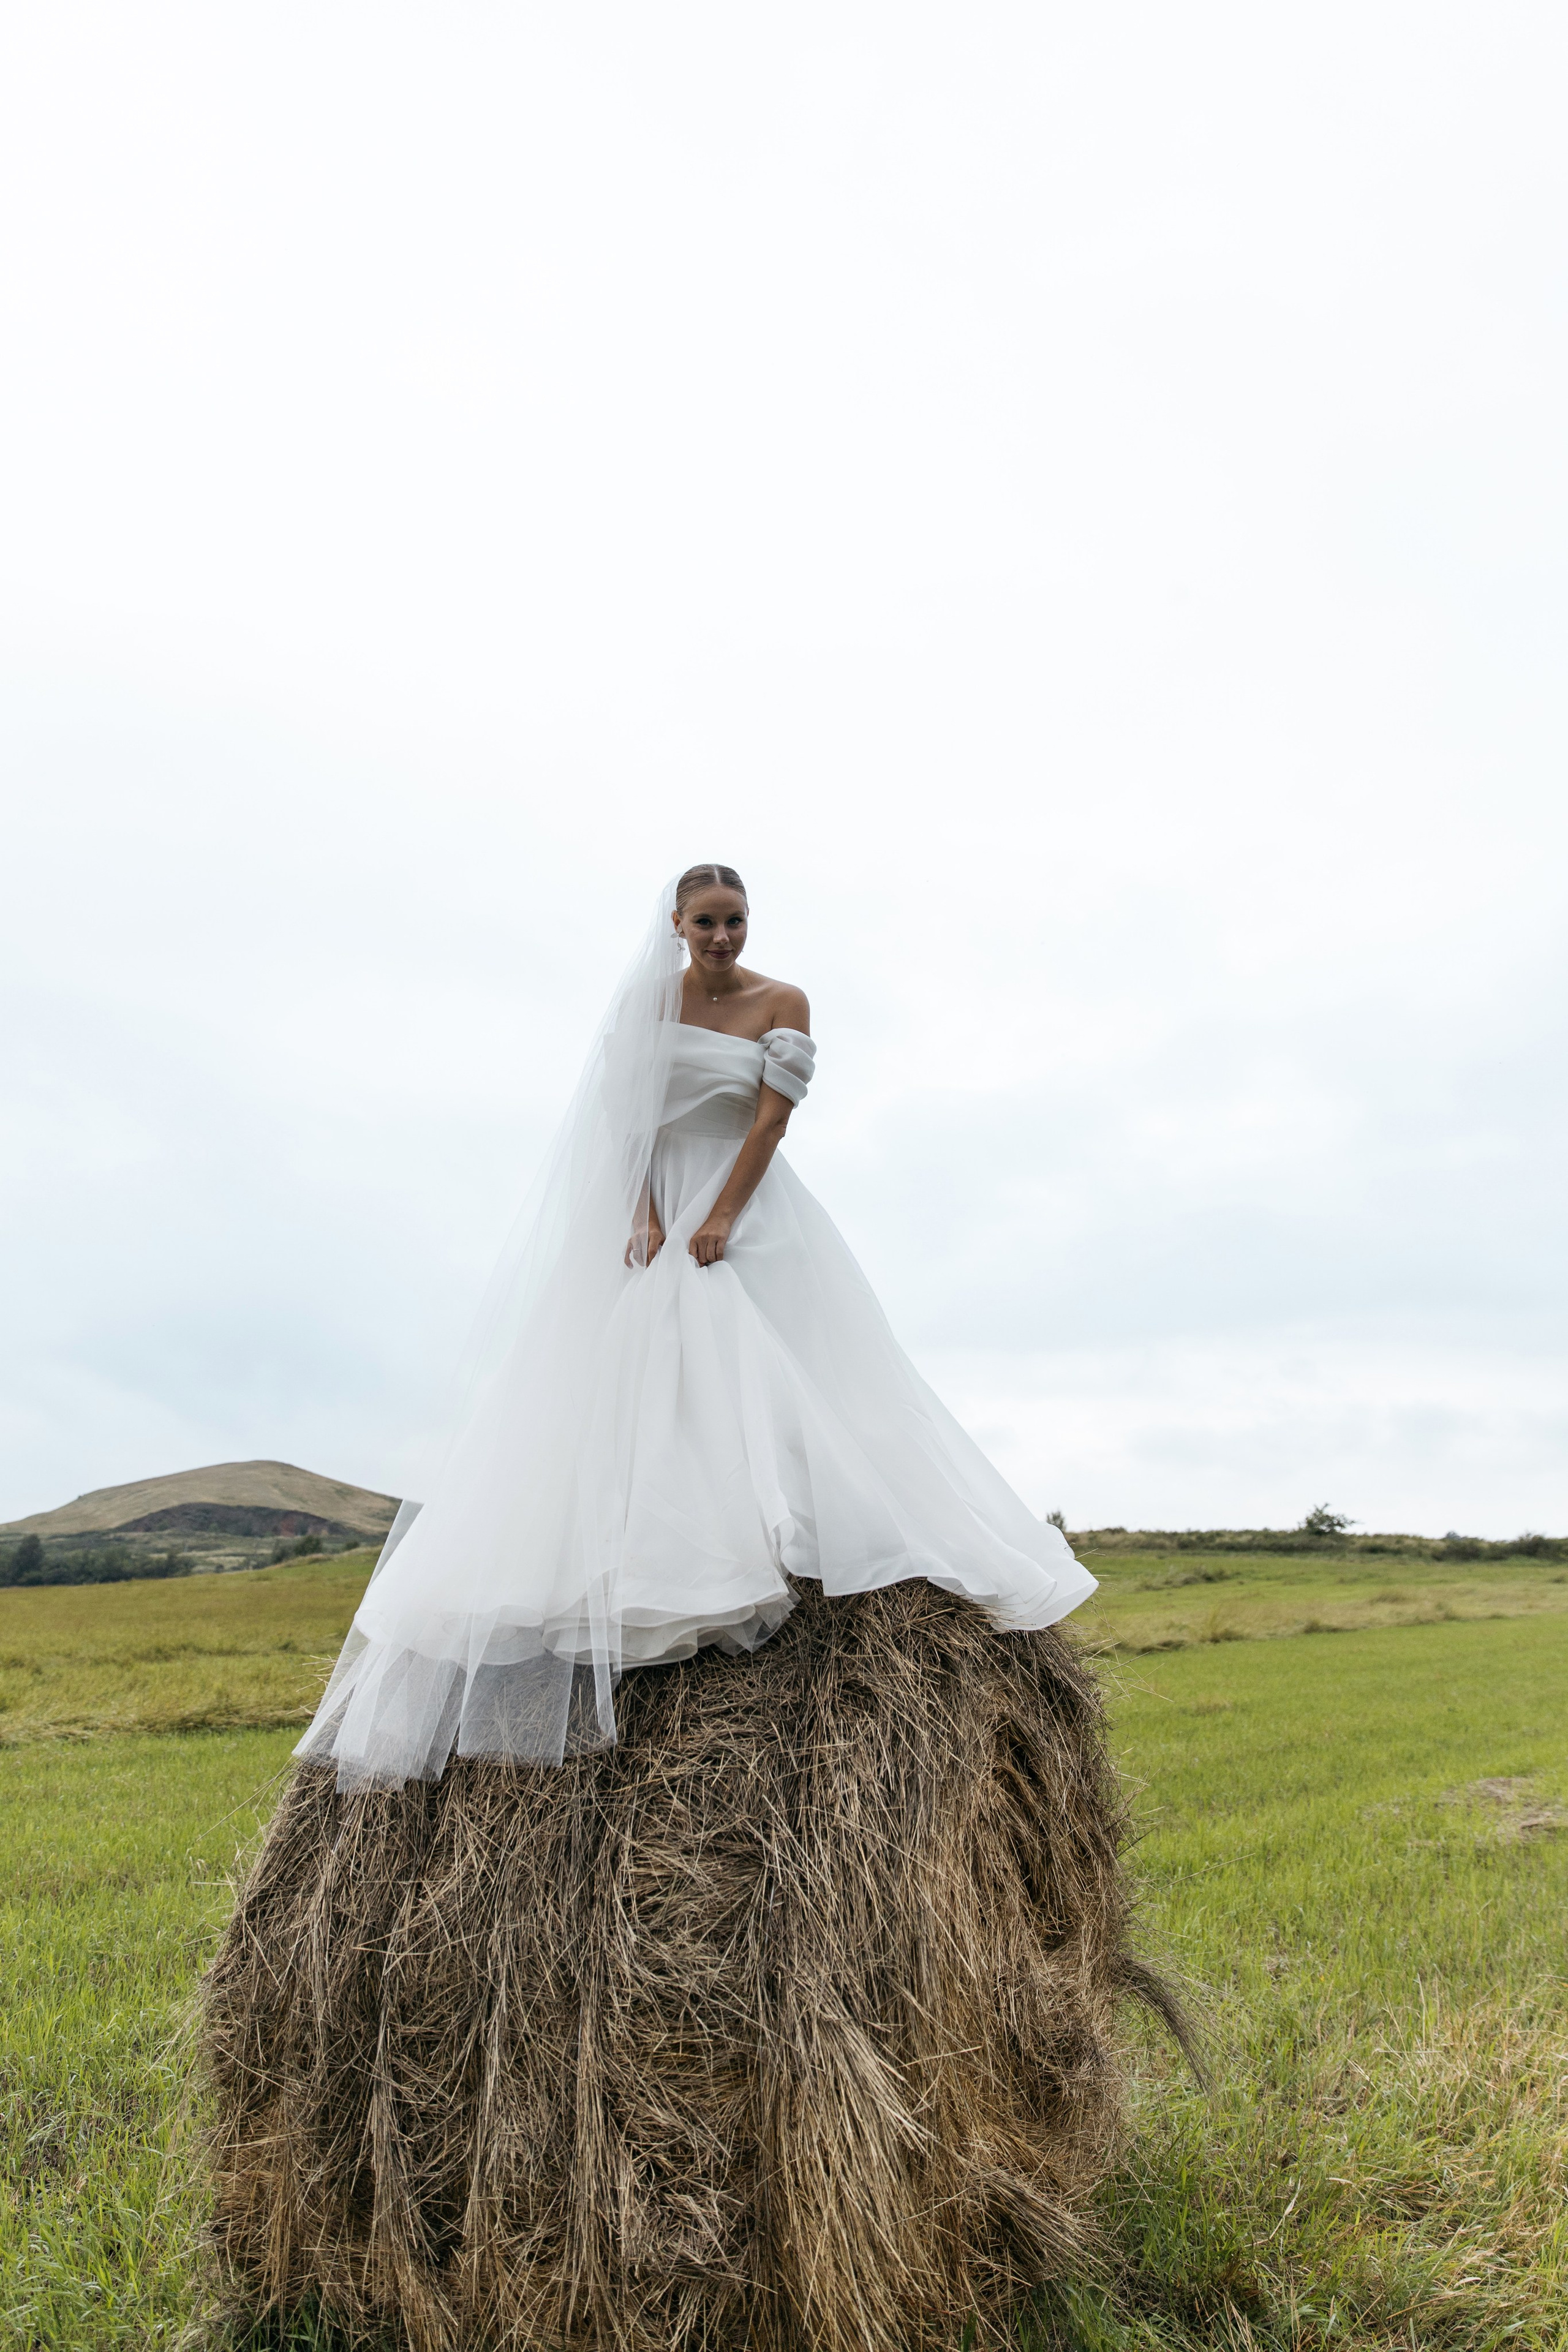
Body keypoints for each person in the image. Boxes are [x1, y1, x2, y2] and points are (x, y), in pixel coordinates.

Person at [298, 864, 1096, 1785]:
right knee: (632, 1377)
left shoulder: (783, 999)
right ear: (677, 923)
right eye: (708, 921)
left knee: (767, 1363)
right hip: (655, 1199)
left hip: (747, 1198)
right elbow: (623, 1120)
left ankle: (785, 1539)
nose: (724, 936)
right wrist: (641, 1214)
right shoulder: (645, 1003)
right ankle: (643, 1556)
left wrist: (720, 1215)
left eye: (737, 921)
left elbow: (769, 1125)